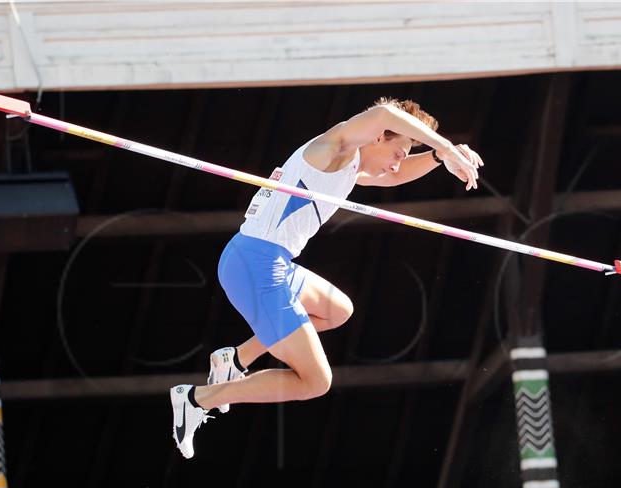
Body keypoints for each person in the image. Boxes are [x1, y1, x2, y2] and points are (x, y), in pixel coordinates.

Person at [171, 97, 483, 458]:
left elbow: (395, 175)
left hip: (271, 262)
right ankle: (197, 399)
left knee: (338, 310)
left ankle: (234, 360)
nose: (398, 163)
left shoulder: (349, 168)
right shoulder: (332, 149)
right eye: (398, 151)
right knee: (316, 382)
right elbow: (382, 114)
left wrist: (438, 157)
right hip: (256, 266)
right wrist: (443, 145)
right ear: (378, 136)